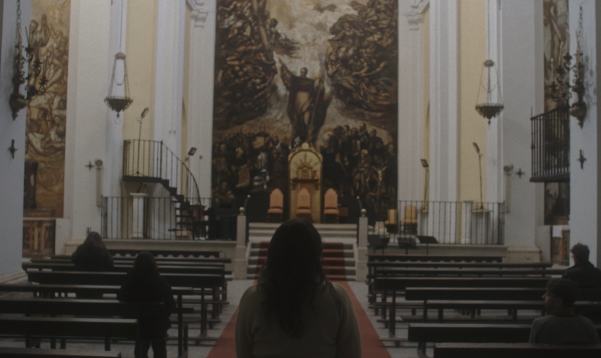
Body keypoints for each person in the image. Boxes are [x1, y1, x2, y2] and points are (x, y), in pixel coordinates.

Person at [235, 219, 361, 358]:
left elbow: (243, 353)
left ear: (273, 252)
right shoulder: (336, 298)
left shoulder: (253, 298)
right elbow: (352, 353)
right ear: (316, 254)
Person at [118, 252, 175, 358]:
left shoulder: (130, 280)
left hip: (137, 325)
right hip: (157, 326)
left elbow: (121, 297)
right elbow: (170, 305)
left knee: (141, 344)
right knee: (159, 347)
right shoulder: (160, 282)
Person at [529, 278, 600, 344]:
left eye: (548, 294)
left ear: (558, 302)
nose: (543, 296)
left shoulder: (540, 324)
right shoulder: (587, 324)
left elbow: (532, 351)